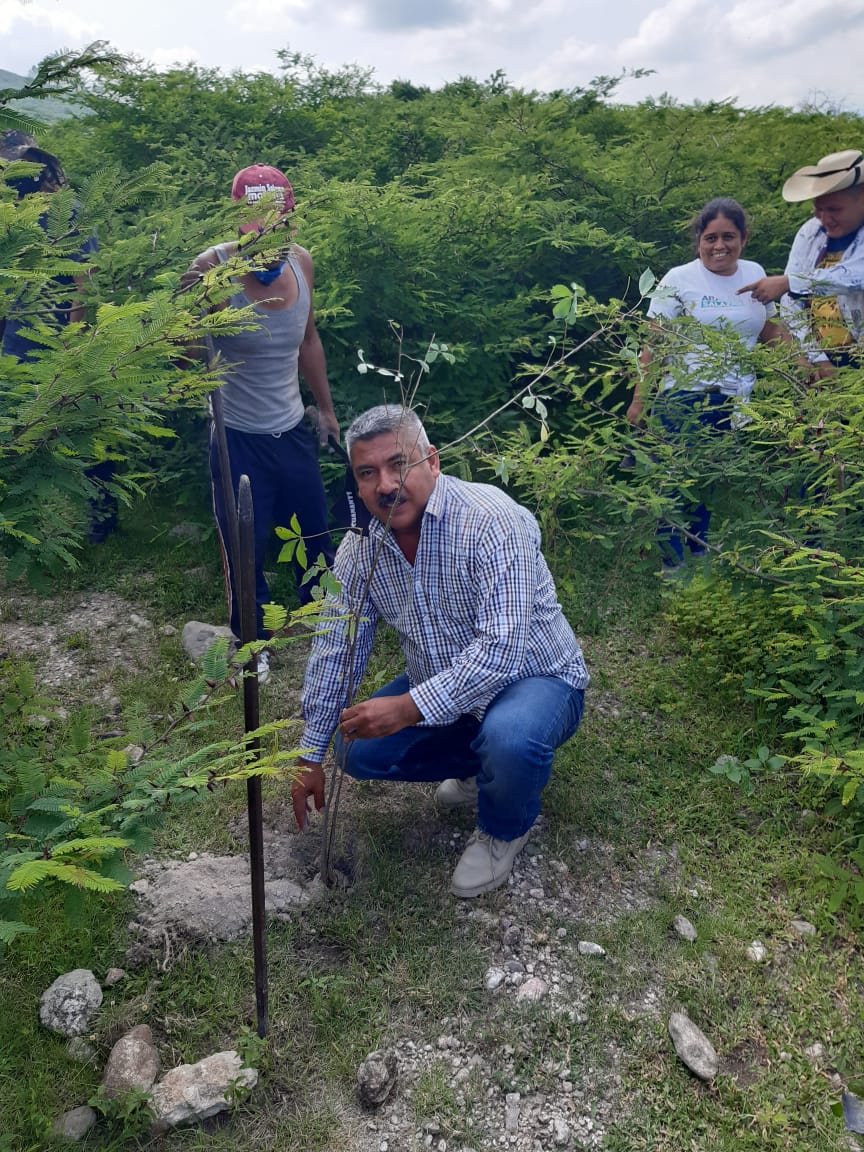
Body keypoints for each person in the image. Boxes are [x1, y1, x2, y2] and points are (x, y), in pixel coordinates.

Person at [291, 404, 589, 898]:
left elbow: (502, 651)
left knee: (512, 737)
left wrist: (407, 709)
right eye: (368, 473)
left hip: (536, 681)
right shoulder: (359, 551)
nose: (385, 485)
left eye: (398, 464)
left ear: (432, 461)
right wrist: (310, 752)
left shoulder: (493, 520)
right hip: (446, 688)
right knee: (353, 745)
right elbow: (336, 648)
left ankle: (503, 827)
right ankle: (479, 768)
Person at [184, 165, 338, 673]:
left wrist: (327, 410)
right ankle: (254, 643)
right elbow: (182, 354)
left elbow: (308, 341)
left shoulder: (302, 265)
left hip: (291, 428)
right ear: (239, 224)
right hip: (236, 437)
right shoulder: (212, 270)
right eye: (256, 229)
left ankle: (325, 625)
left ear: (292, 220)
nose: (269, 239)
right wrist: (187, 317)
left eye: (278, 226)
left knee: (313, 533)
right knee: (244, 546)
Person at [627, 197, 798, 565]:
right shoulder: (679, 279)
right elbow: (654, 342)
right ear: (699, 240)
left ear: (744, 238)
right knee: (676, 484)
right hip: (684, 400)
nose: (719, 246)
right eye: (711, 238)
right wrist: (640, 400)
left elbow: (771, 329)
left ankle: (699, 559)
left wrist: (805, 366)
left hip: (737, 402)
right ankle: (673, 569)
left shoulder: (755, 273)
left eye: (729, 237)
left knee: (709, 483)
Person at [0, 131, 116, 542]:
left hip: (53, 334)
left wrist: (73, 340)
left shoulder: (66, 211)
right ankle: (22, 524)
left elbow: (85, 279)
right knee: (18, 426)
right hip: (17, 333)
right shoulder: (12, 209)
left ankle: (101, 518)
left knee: (76, 425)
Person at [738, 149, 864, 370]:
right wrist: (818, 359)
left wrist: (790, 282)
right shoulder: (811, 231)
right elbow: (790, 301)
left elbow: (854, 277)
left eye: (834, 209)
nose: (825, 219)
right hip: (824, 358)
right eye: (818, 209)